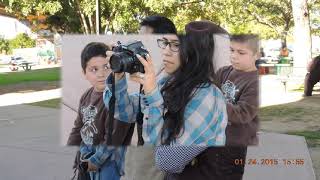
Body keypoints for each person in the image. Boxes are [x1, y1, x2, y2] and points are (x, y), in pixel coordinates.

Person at [67, 42, 134, 180]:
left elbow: (114, 137)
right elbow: (79, 126)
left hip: (108, 159)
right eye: (94, 69)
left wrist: (96, 160)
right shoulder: (86, 96)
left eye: (106, 67)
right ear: (84, 73)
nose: (101, 74)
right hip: (86, 152)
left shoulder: (116, 100)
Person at [213, 34, 260, 179]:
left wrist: (214, 102)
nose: (234, 56)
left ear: (256, 55)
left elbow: (243, 114)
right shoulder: (224, 72)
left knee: (230, 175)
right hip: (214, 138)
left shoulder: (254, 82)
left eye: (241, 53)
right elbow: (209, 91)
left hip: (235, 143)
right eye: (231, 50)